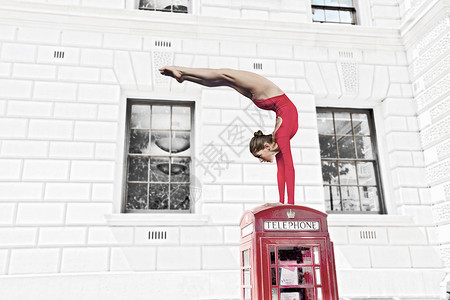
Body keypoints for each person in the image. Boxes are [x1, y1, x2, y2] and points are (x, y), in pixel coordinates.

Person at [159, 66, 298, 205]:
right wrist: (290, 205)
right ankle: (182, 72)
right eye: (259, 156)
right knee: (224, 74)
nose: (261, 160)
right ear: (266, 146)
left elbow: (281, 171)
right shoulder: (281, 137)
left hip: (263, 98)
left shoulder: (278, 142)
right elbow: (289, 169)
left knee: (224, 80)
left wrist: (281, 203)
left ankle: (184, 76)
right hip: (264, 92)